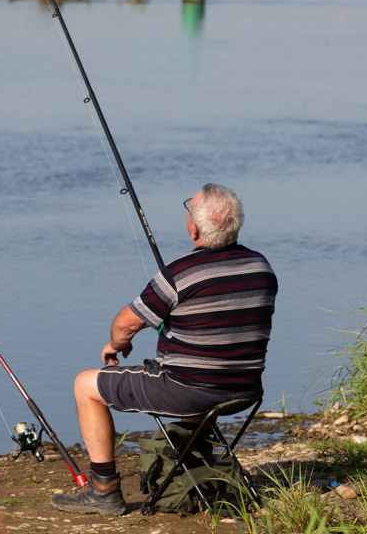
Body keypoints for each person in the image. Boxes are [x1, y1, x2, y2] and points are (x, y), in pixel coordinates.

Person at [50, 183, 277, 515]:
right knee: (192, 370)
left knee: (85, 385)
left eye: (189, 209)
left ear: (194, 227)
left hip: (190, 391)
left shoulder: (181, 273)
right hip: (244, 391)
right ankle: (197, 470)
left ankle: (104, 492)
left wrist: (116, 345)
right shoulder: (261, 267)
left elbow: (126, 323)